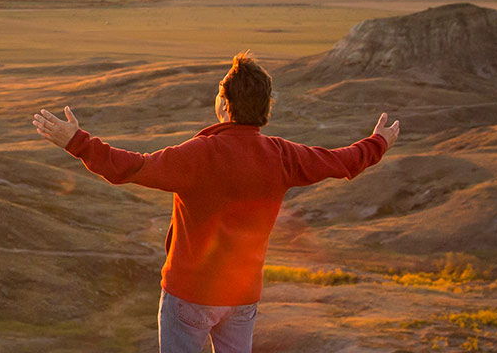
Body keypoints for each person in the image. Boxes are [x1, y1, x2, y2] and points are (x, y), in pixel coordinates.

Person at [31, 51, 398, 353]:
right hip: (241, 297)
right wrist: (377, 143)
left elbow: (131, 168)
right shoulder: (282, 155)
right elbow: (341, 161)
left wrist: (75, 141)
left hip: (189, 295)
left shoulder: (199, 154)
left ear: (224, 105)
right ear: (265, 108)